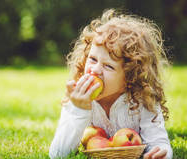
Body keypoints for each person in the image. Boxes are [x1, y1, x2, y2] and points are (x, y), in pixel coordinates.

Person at [49, 9, 173, 159]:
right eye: (93, 59)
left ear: (130, 77)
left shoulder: (143, 99)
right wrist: (78, 110)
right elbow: (58, 155)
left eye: (108, 66)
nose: (95, 70)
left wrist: (160, 153)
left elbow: (158, 141)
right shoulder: (77, 98)